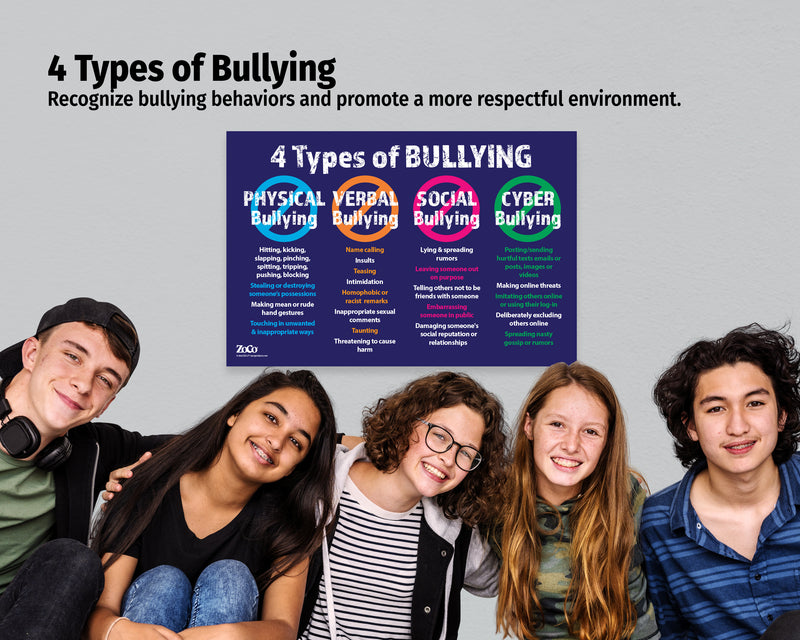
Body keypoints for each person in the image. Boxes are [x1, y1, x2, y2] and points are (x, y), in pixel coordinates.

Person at [86, 369, 337, 640]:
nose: (276, 442)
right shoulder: (149, 482)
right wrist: (124, 631)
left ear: (294, 468)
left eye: (295, 442)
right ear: (235, 413)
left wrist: (227, 635)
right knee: (165, 583)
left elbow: (283, 629)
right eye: (271, 418)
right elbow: (100, 614)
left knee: (230, 578)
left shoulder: (290, 522)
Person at [298, 371, 508, 640]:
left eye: (466, 453)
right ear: (407, 422)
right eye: (441, 436)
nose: (448, 458)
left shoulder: (454, 532)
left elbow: (507, 581)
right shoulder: (317, 484)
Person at [0, 297, 159, 639]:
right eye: (72, 356)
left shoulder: (95, 449)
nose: (84, 384)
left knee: (73, 560)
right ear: (31, 354)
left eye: (105, 380)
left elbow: (205, 444)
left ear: (107, 404)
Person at [639, 324, 800, 640]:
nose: (737, 426)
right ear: (691, 427)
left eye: (754, 403)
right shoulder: (659, 522)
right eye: (716, 408)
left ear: (781, 414)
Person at [496, 361, 659, 640]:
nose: (571, 445)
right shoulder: (497, 501)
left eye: (591, 431)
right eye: (557, 424)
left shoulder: (629, 496)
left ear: (607, 441)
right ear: (529, 425)